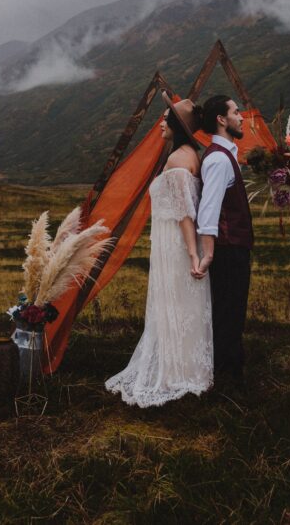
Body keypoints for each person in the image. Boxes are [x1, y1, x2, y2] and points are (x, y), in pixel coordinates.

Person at [105, 92, 213, 407]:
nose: (161, 122)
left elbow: (183, 213)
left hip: (176, 244)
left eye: (167, 118)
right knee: (183, 305)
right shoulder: (191, 153)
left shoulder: (178, 159)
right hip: (175, 240)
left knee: (174, 303)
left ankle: (175, 372)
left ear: (178, 126)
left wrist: (193, 254)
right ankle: (188, 367)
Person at [193, 95, 252, 382]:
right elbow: (209, 209)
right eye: (236, 112)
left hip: (234, 247)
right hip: (228, 251)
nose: (241, 117)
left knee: (232, 311)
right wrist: (210, 254)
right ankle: (226, 378)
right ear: (221, 119)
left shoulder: (226, 155)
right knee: (228, 313)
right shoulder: (218, 159)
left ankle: (229, 370)